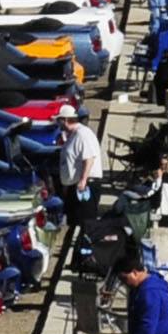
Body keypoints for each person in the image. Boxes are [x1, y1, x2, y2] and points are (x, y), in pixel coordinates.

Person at [57, 103, 101, 259]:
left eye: (59, 121)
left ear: (66, 120)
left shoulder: (83, 134)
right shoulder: (73, 135)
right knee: (78, 219)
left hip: (86, 184)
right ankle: (81, 253)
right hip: (76, 184)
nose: (58, 124)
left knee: (87, 220)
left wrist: (83, 180)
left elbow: (88, 158)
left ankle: (87, 254)